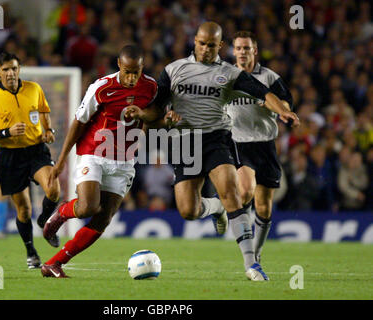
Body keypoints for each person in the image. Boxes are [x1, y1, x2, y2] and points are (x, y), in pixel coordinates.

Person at [146, 22, 300, 281]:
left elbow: (264, 93)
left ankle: (252, 264)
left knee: (232, 191)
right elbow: (155, 108)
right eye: (202, 43)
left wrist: (283, 111)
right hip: (185, 143)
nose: (206, 49)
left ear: (220, 46)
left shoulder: (229, 73)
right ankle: (216, 208)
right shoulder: (174, 70)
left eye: (211, 45)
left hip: (218, 138)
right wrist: (152, 116)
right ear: (194, 41)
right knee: (188, 211)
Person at [40, 44, 158, 278]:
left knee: (103, 219)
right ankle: (61, 214)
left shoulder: (151, 87)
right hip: (94, 152)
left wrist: (143, 120)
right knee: (88, 207)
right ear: (119, 66)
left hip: (124, 160)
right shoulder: (102, 87)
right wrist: (62, 159)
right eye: (127, 71)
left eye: (137, 72)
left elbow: (155, 113)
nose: (132, 77)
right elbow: (79, 121)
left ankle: (54, 263)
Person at [0, 52, 61, 269]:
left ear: (19, 69)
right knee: (23, 210)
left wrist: (48, 129)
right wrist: (7, 132)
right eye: (5, 69)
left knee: (54, 190)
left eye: (14, 68)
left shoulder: (34, 88)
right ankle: (31, 251)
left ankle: (44, 222)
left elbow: (43, 110)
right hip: (10, 156)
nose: (10, 73)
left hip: (36, 150)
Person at [226, 31, 294, 263]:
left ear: (255, 50)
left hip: (265, 145)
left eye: (247, 48)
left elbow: (286, 102)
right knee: (245, 190)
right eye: (238, 48)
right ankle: (245, 249)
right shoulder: (226, 77)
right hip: (238, 144)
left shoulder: (269, 78)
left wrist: (279, 109)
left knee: (263, 207)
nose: (242, 52)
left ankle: (256, 252)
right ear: (233, 51)